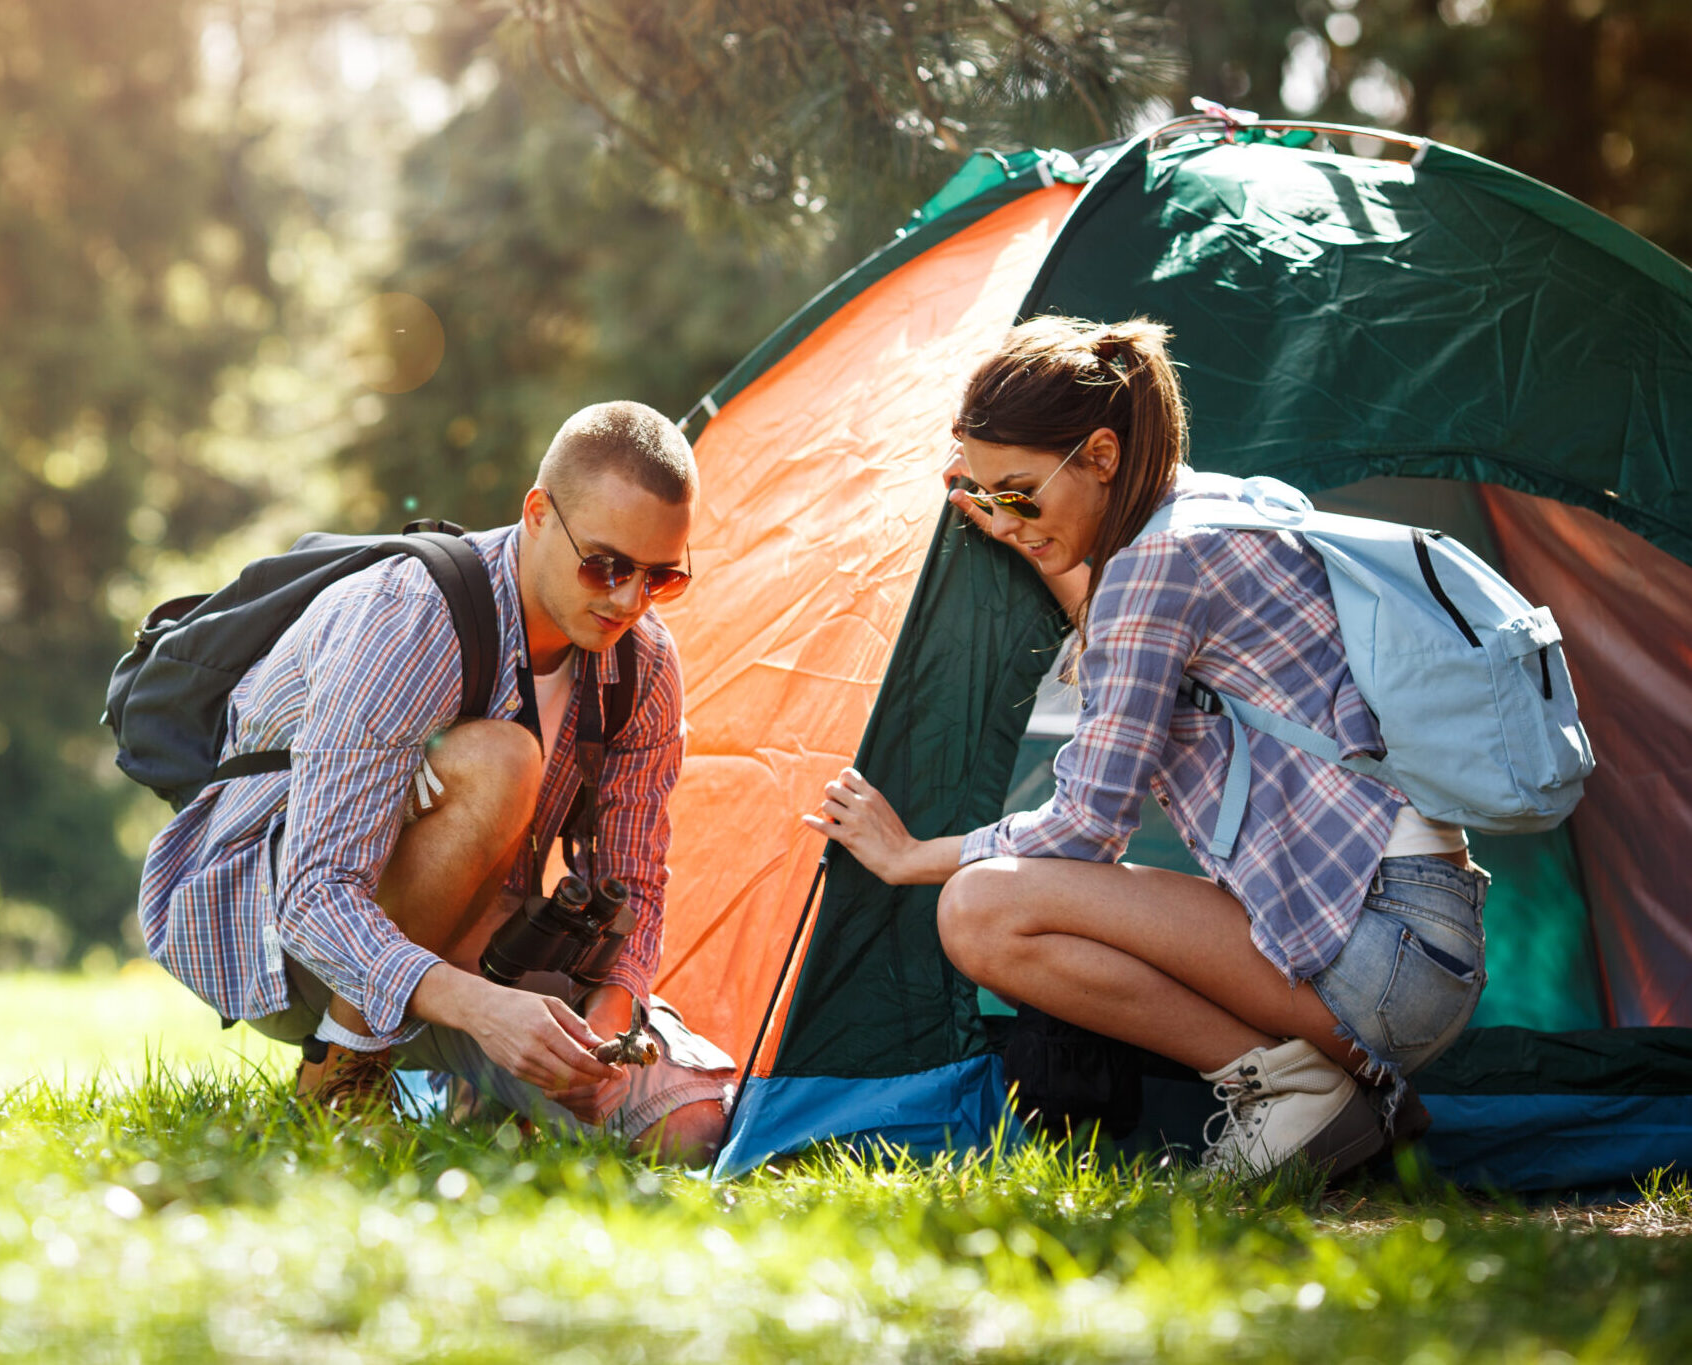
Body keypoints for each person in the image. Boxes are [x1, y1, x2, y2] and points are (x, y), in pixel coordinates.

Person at [803, 316, 1490, 1181]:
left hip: (1380, 950)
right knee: (1001, 899)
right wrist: (1028, 524)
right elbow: (1120, 617)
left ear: (1098, 455)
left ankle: (1292, 1091)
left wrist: (913, 857)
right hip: (1412, 940)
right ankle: (1347, 1088)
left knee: (979, 909)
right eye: (990, 496)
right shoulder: (1207, 511)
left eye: (1019, 491)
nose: (1007, 516)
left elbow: (1089, 827)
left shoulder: (1154, 569)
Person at [139, 401, 734, 1163]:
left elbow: (634, 880)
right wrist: (487, 1010)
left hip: (481, 941)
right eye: (607, 566)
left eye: (662, 577)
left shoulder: (644, 662)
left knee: (686, 1131)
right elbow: (315, 894)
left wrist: (609, 1021)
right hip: (279, 936)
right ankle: (344, 1071)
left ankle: (488, 1097)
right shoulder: (410, 615)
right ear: (538, 513)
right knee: (503, 762)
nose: (629, 600)